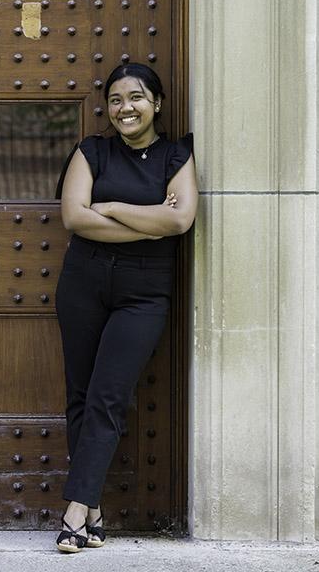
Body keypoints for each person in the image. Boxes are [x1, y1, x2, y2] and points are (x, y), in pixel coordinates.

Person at [53, 63, 197, 552]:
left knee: (107, 397)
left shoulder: (176, 155)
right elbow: (75, 216)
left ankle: (74, 510)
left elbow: (180, 221)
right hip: (83, 281)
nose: (125, 108)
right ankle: (91, 508)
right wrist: (148, 220)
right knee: (80, 394)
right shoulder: (91, 151)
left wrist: (109, 208)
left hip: (144, 291)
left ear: (156, 103)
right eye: (115, 99)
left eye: (136, 97)